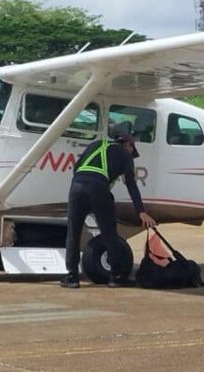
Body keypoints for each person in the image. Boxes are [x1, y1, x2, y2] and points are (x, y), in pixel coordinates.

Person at [61, 121, 156, 288]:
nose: (132, 152)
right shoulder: (125, 155)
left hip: (77, 187)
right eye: (132, 148)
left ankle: (72, 277)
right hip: (99, 188)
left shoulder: (95, 144)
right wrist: (141, 211)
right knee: (109, 233)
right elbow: (131, 185)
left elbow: (76, 168)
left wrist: (83, 184)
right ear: (128, 144)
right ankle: (116, 276)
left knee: (73, 232)